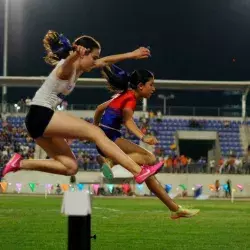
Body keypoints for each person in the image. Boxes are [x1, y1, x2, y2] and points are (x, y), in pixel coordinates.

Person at [1, 30, 162, 184]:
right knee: (97, 132)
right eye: (93, 57)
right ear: (83, 54)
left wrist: (132, 54)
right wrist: (74, 54)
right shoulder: (68, 67)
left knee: (71, 167)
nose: (95, 61)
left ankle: (19, 163)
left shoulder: (78, 68)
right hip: (40, 114)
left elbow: (105, 61)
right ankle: (138, 171)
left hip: (37, 122)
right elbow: (67, 65)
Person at [94, 65, 200, 219]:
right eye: (151, 84)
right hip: (110, 138)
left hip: (107, 137)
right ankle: (110, 161)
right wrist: (143, 137)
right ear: (140, 86)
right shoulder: (130, 98)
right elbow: (129, 122)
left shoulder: (122, 95)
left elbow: (98, 109)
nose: (154, 89)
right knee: (150, 158)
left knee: (148, 172)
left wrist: (95, 130)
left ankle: (175, 209)